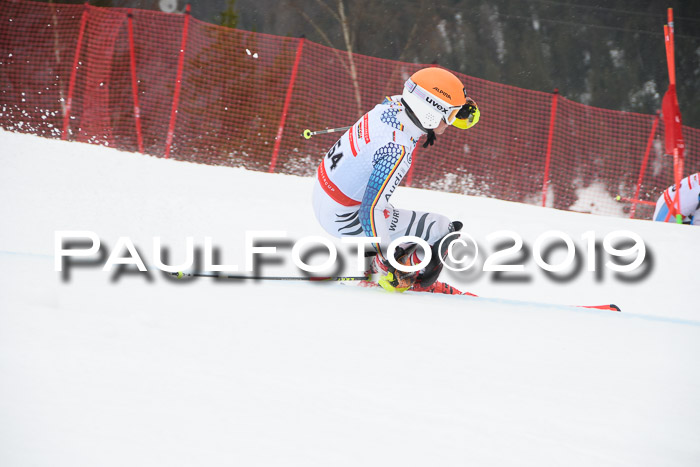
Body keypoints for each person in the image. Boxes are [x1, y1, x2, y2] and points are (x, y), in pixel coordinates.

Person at [312, 67, 480, 292]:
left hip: (324, 194)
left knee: (388, 214)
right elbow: (370, 210)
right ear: (430, 113)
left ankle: (380, 264)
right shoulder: (396, 149)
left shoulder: (394, 104)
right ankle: (401, 278)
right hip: (343, 216)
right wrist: (389, 260)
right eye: (449, 115)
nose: (451, 122)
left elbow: (424, 95)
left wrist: (459, 104)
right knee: (440, 229)